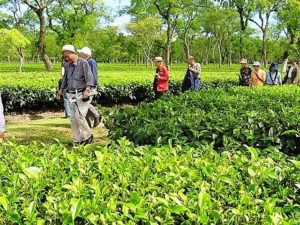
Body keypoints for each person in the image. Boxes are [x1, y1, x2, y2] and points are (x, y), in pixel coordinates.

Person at [56, 45, 96, 145]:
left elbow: (89, 77)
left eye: (67, 56)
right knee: (73, 119)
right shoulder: (66, 64)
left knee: (80, 116)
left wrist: (87, 90)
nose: (66, 59)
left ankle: (88, 136)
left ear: (73, 53)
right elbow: (65, 78)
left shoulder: (83, 63)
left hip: (82, 93)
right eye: (64, 57)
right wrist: (60, 90)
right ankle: (78, 139)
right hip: (71, 94)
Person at [77, 47, 100, 128]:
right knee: (83, 104)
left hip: (89, 87)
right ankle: (90, 121)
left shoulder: (91, 62)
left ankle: (96, 116)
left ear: (86, 55)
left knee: (83, 104)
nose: (80, 55)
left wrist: (89, 87)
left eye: (81, 54)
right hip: (85, 87)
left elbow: (93, 75)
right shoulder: (86, 62)